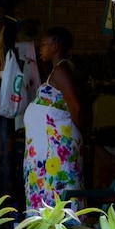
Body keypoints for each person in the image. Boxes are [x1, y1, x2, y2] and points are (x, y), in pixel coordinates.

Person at [23, 26, 84, 213]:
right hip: (49, 148)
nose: (40, 49)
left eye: (44, 44)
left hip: (56, 149)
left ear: (55, 46)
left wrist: (77, 136)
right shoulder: (58, 71)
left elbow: (76, 107)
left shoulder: (61, 71)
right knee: (51, 190)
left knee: (58, 190)